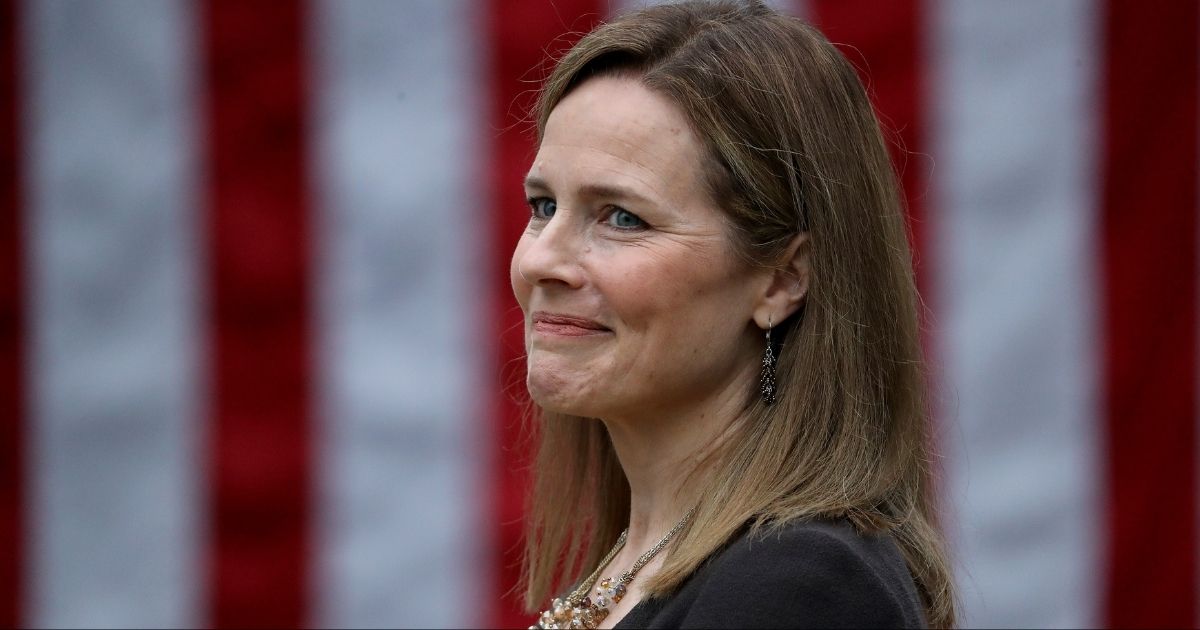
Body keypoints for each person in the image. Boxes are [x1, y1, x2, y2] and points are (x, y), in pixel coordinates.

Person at [509, 1, 956, 627]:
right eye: (542, 206)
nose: (539, 263)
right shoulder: (654, 564)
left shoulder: (798, 589)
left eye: (622, 218)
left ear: (782, 279)